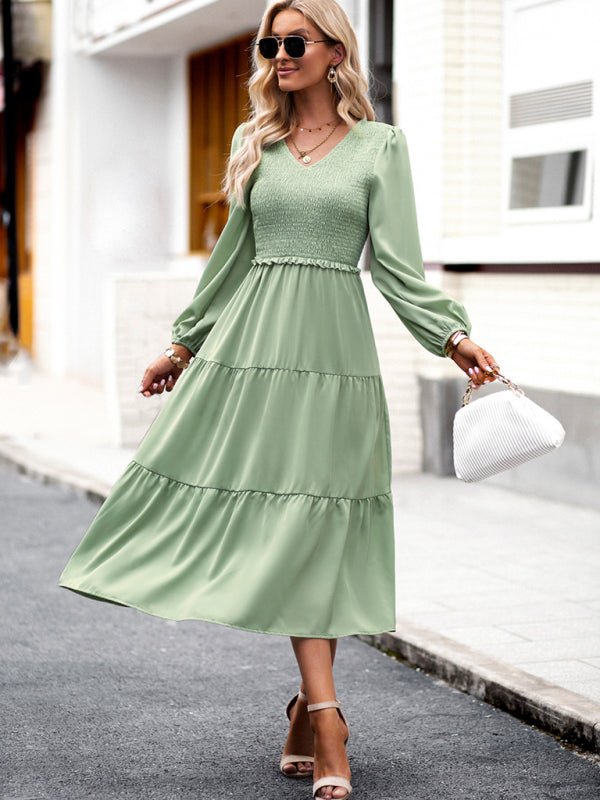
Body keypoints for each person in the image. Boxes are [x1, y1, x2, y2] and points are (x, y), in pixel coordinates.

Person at [59, 2, 500, 798]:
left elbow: (398, 267)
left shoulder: (379, 146)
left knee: (314, 524)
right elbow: (233, 259)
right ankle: (325, 715)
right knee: (273, 516)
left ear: (337, 51)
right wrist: (184, 343)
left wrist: (451, 337)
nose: (278, 53)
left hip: (334, 362)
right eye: (270, 42)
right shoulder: (252, 141)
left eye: (295, 41)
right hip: (252, 357)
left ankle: (313, 710)